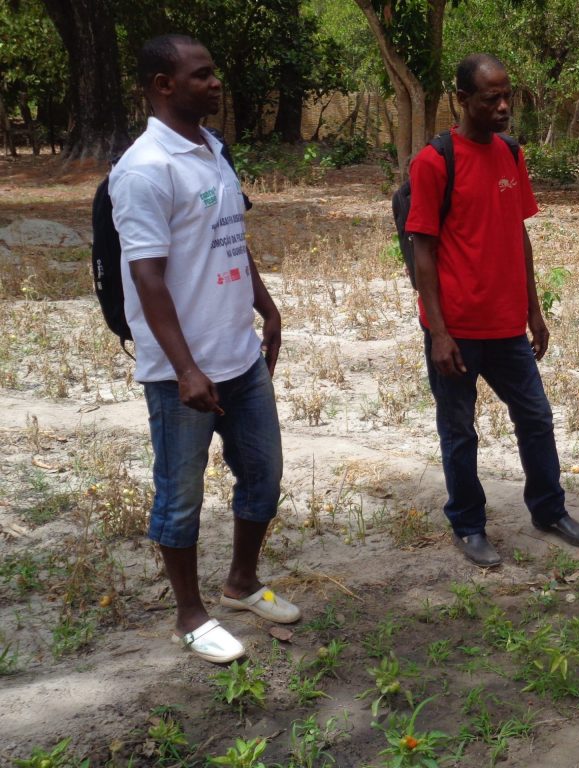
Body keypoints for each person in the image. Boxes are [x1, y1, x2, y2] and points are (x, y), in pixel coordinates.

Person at [110, 34, 299, 663]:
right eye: (202, 75)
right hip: (181, 374)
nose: (216, 83)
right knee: (180, 496)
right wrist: (186, 367)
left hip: (239, 355)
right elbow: (147, 277)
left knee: (264, 477)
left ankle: (241, 582)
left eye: (214, 73)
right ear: (163, 84)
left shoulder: (212, 149)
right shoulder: (143, 170)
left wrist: (264, 305)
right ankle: (191, 616)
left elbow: (229, 237)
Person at [406, 53, 579, 567]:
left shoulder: (511, 154)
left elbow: (518, 233)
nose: (504, 106)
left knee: (536, 417)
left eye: (507, 95)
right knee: (460, 430)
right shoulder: (433, 161)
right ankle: (467, 524)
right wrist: (439, 332)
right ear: (462, 100)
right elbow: (423, 250)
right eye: (491, 98)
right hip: (458, 329)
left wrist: (535, 311)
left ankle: (548, 510)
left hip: (507, 325)